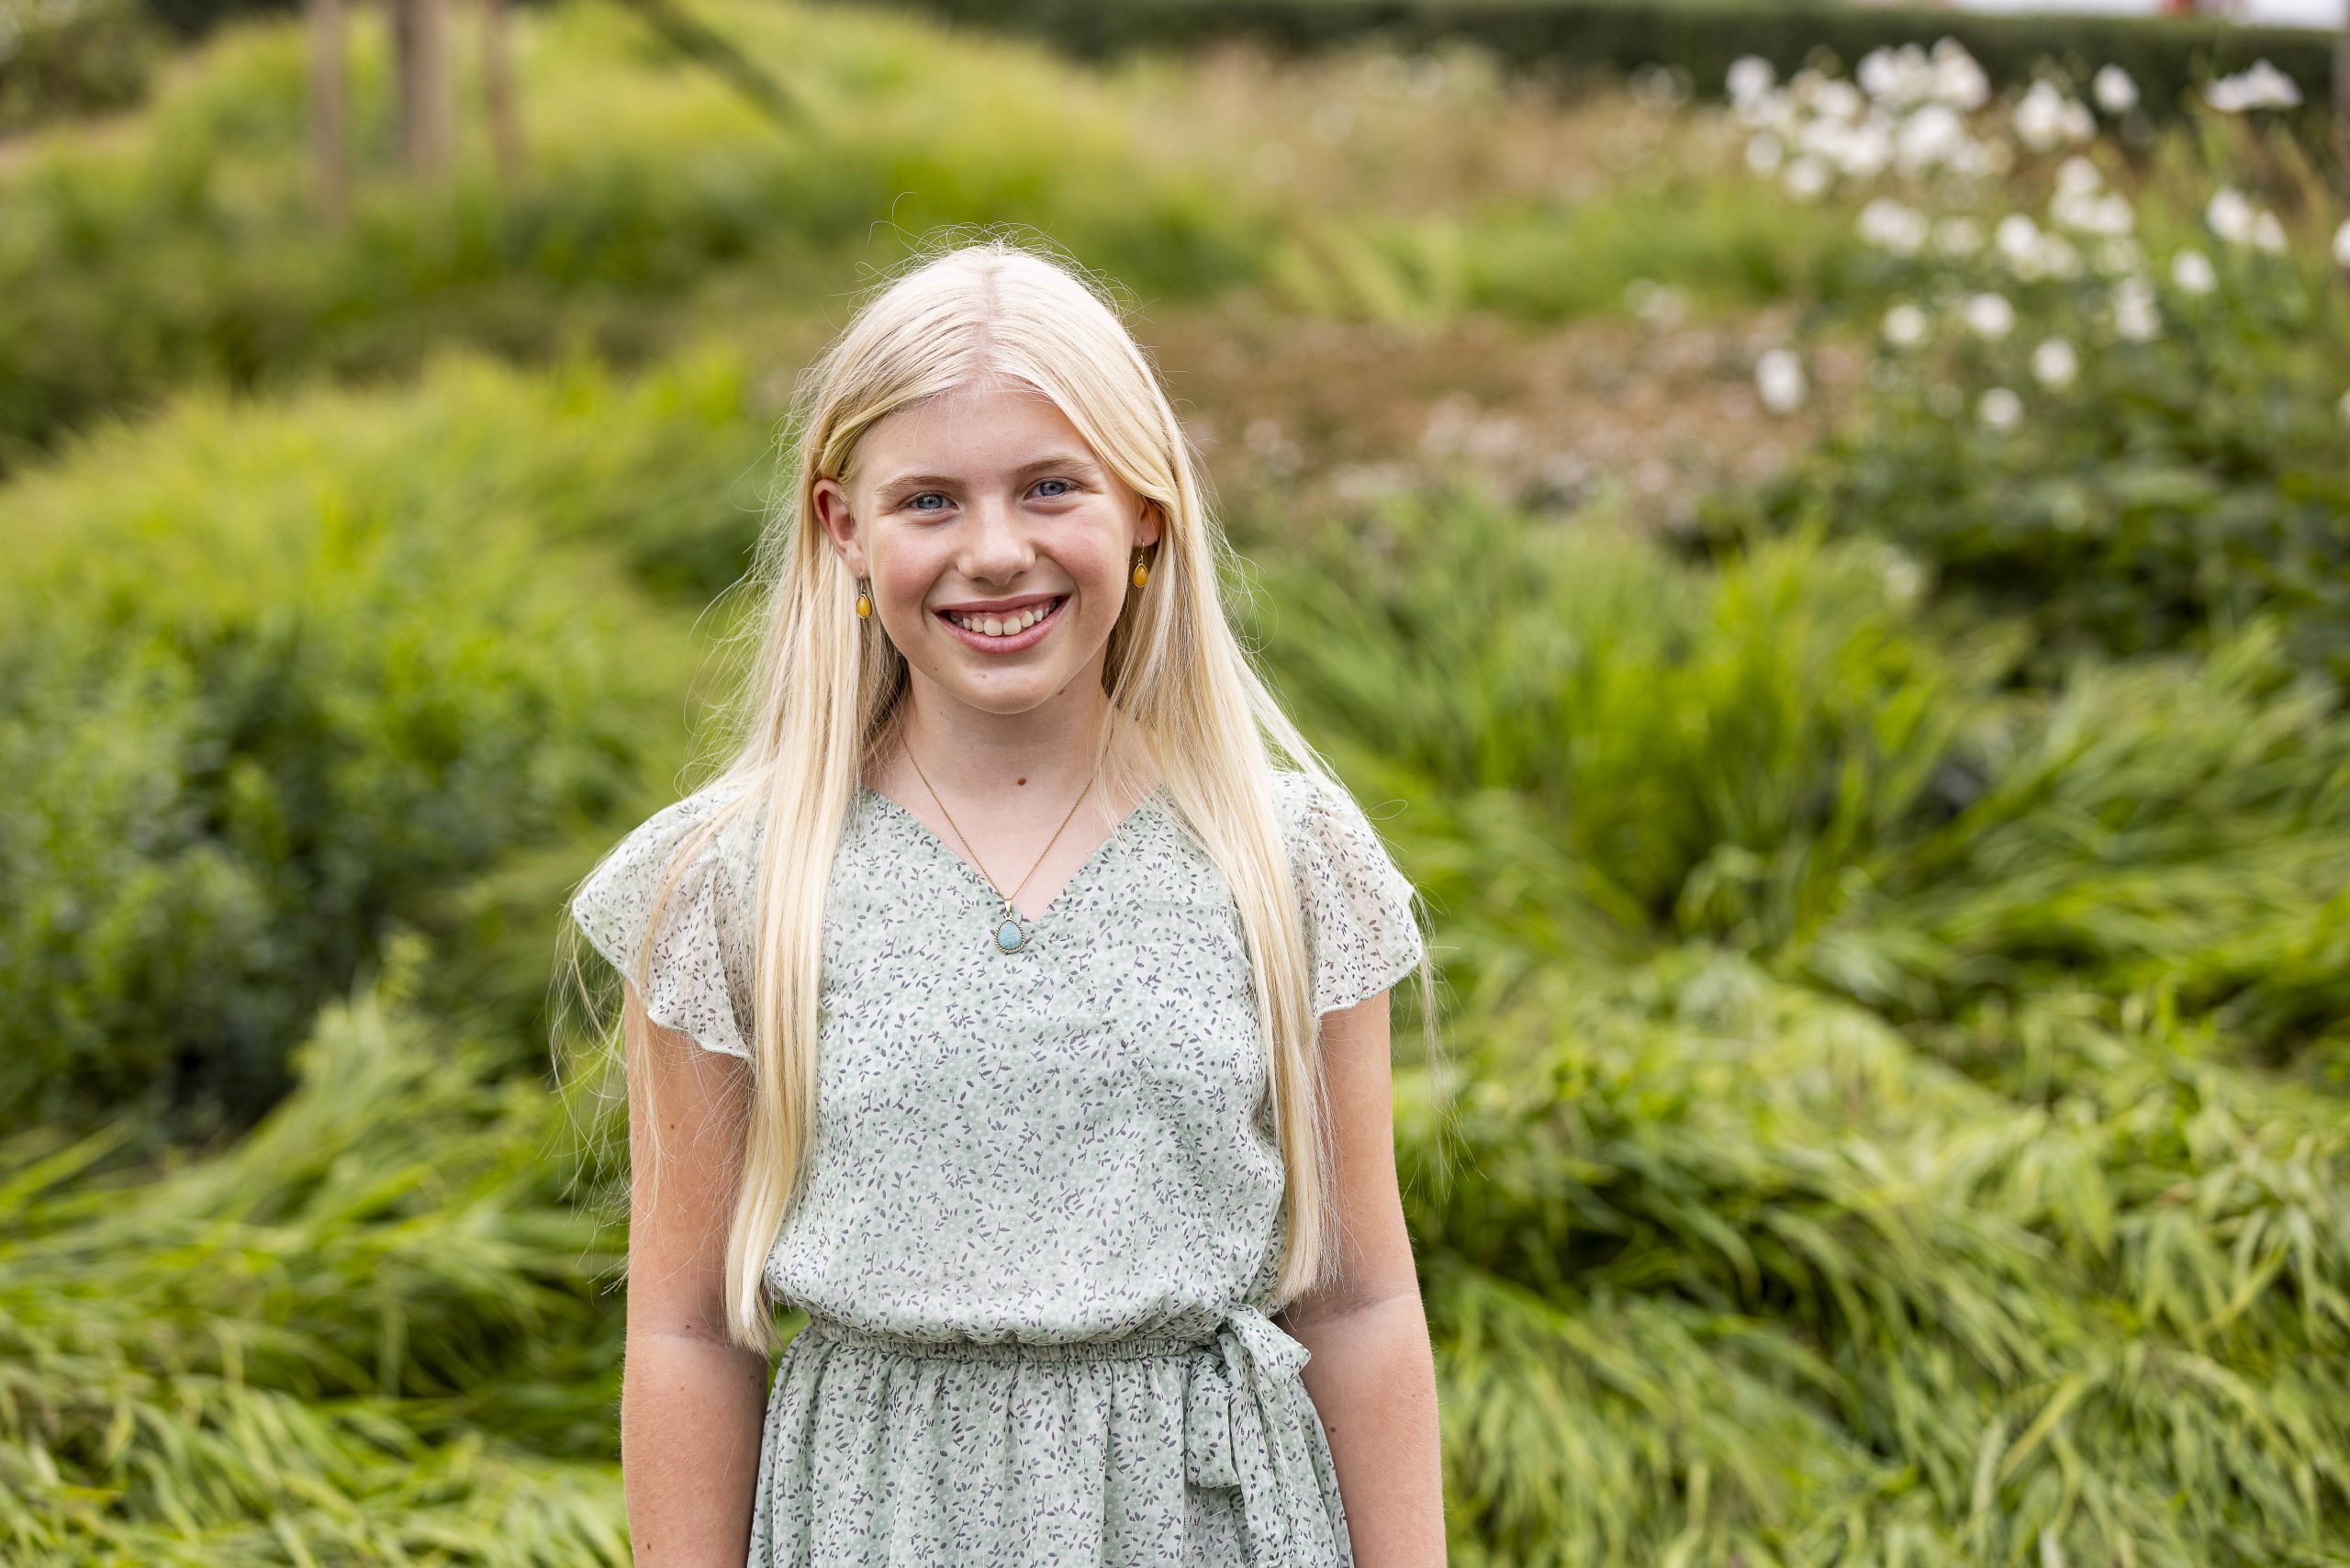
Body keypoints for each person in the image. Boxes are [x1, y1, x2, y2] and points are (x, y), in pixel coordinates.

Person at [565, 235, 1447, 1567]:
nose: (995, 552)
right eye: (928, 501)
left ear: (1146, 507)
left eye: (1050, 488)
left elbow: (1361, 1298)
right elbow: (688, 1330)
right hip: (878, 1522)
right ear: (841, 529)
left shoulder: (1283, 857)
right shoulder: (735, 884)